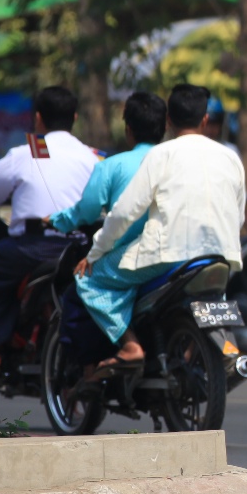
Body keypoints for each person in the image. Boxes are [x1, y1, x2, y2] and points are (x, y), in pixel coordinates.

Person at [85, 83, 247, 368]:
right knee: (214, 304)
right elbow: (240, 216)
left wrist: (95, 253)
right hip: (222, 259)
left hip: (168, 257)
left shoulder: (160, 155)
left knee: (89, 279)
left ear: (169, 122)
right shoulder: (230, 157)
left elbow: (125, 212)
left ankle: (130, 345)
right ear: (205, 120)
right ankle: (217, 352)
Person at [0, 86, 97, 369]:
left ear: (38, 118)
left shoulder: (23, 153)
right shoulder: (91, 157)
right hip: (78, 248)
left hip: (34, 247)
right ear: (74, 117)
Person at [48, 92, 167, 371]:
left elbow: (86, 212)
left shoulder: (113, 165)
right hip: (180, 252)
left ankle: (126, 345)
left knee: (85, 281)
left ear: (128, 129)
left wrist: (56, 221)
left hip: (136, 256)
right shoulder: (175, 164)